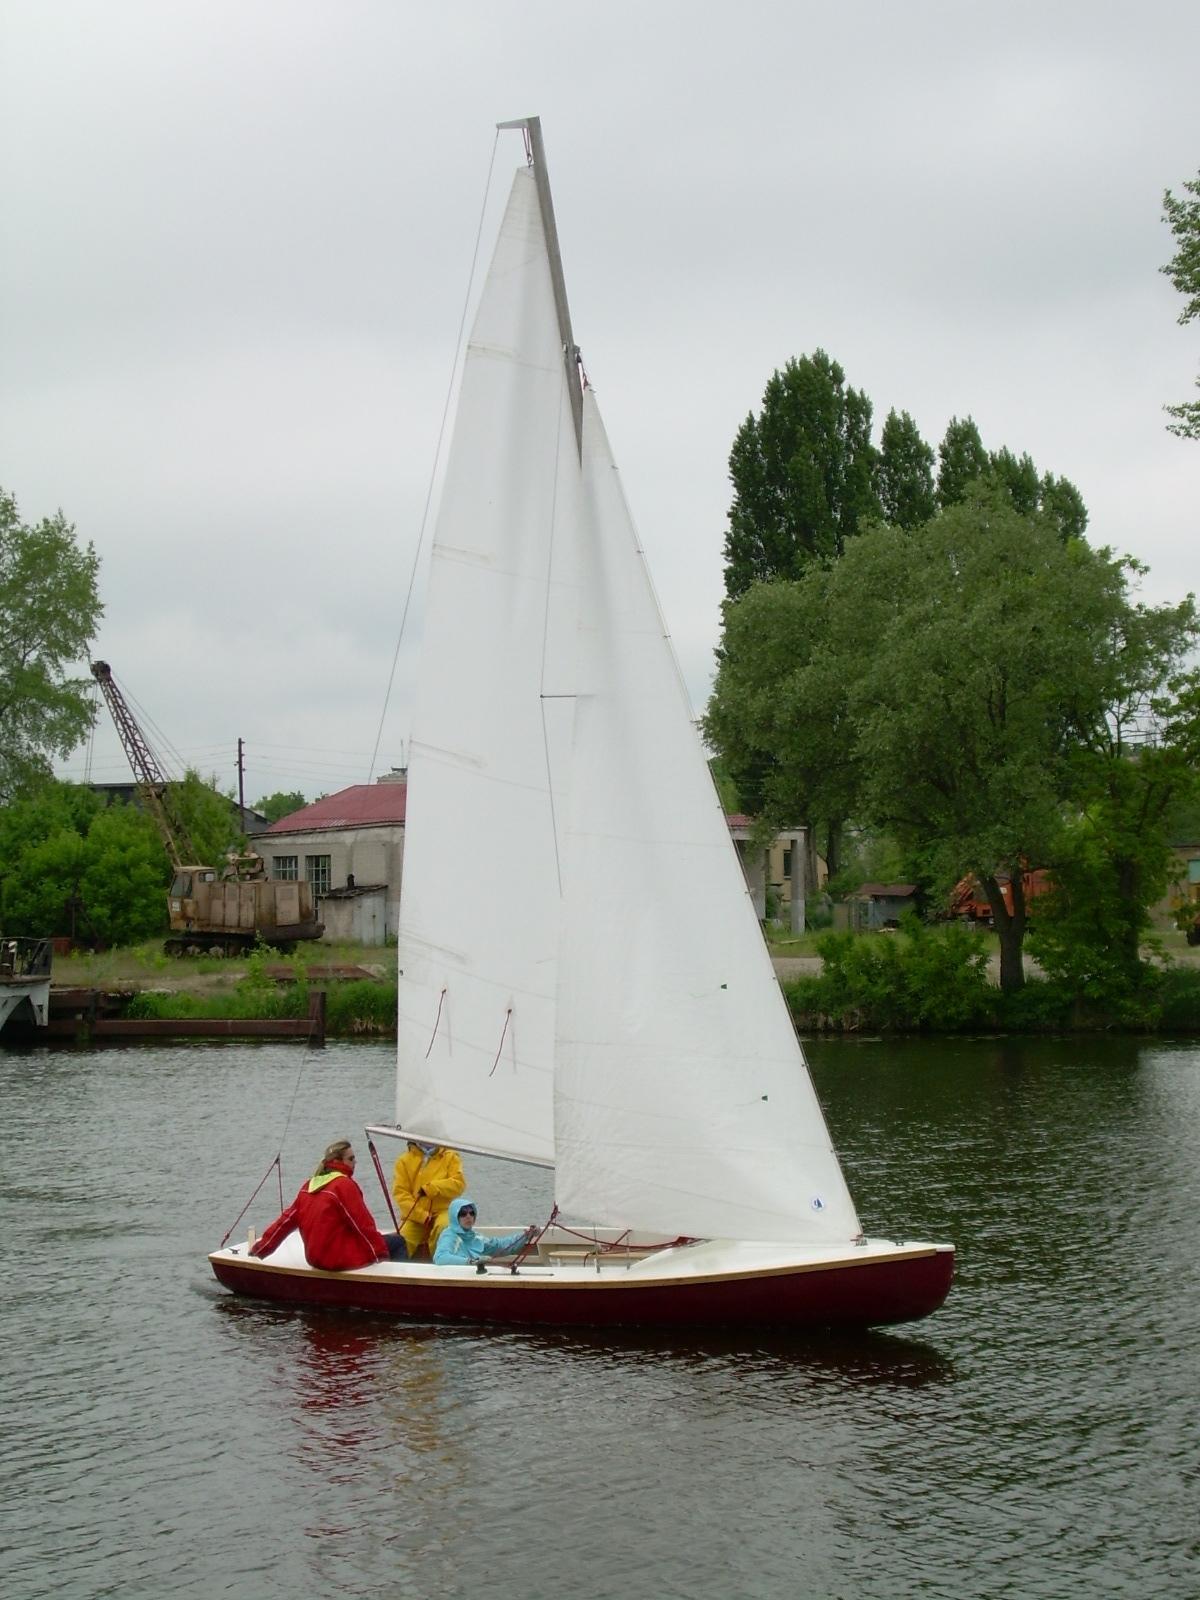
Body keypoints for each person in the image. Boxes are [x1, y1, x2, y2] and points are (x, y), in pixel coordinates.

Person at [251, 1139, 408, 1270]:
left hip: (315, 1259)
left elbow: (285, 1222)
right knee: (398, 1242)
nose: (355, 1162)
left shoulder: (309, 1185)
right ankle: (401, 1286)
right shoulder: (344, 1185)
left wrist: (260, 1249)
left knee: (382, 1240)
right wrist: (380, 1255)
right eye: (351, 1159)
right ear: (337, 1161)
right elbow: (363, 1225)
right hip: (338, 1260)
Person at [391, 1140, 466, 1259]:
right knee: (402, 1240)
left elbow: (458, 1185)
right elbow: (401, 1194)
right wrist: (422, 1216)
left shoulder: (450, 1156)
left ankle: (440, 1263)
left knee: (443, 1228)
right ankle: (398, 1272)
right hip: (415, 1216)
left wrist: (433, 1187)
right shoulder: (403, 1161)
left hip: (444, 1211)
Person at [432, 1196, 536, 1265]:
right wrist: (470, 1262)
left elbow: (500, 1246)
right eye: (463, 1213)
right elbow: (440, 1258)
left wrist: (525, 1236)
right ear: (455, 1216)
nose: (468, 1216)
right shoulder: (449, 1235)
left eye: (471, 1213)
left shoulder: (475, 1237)